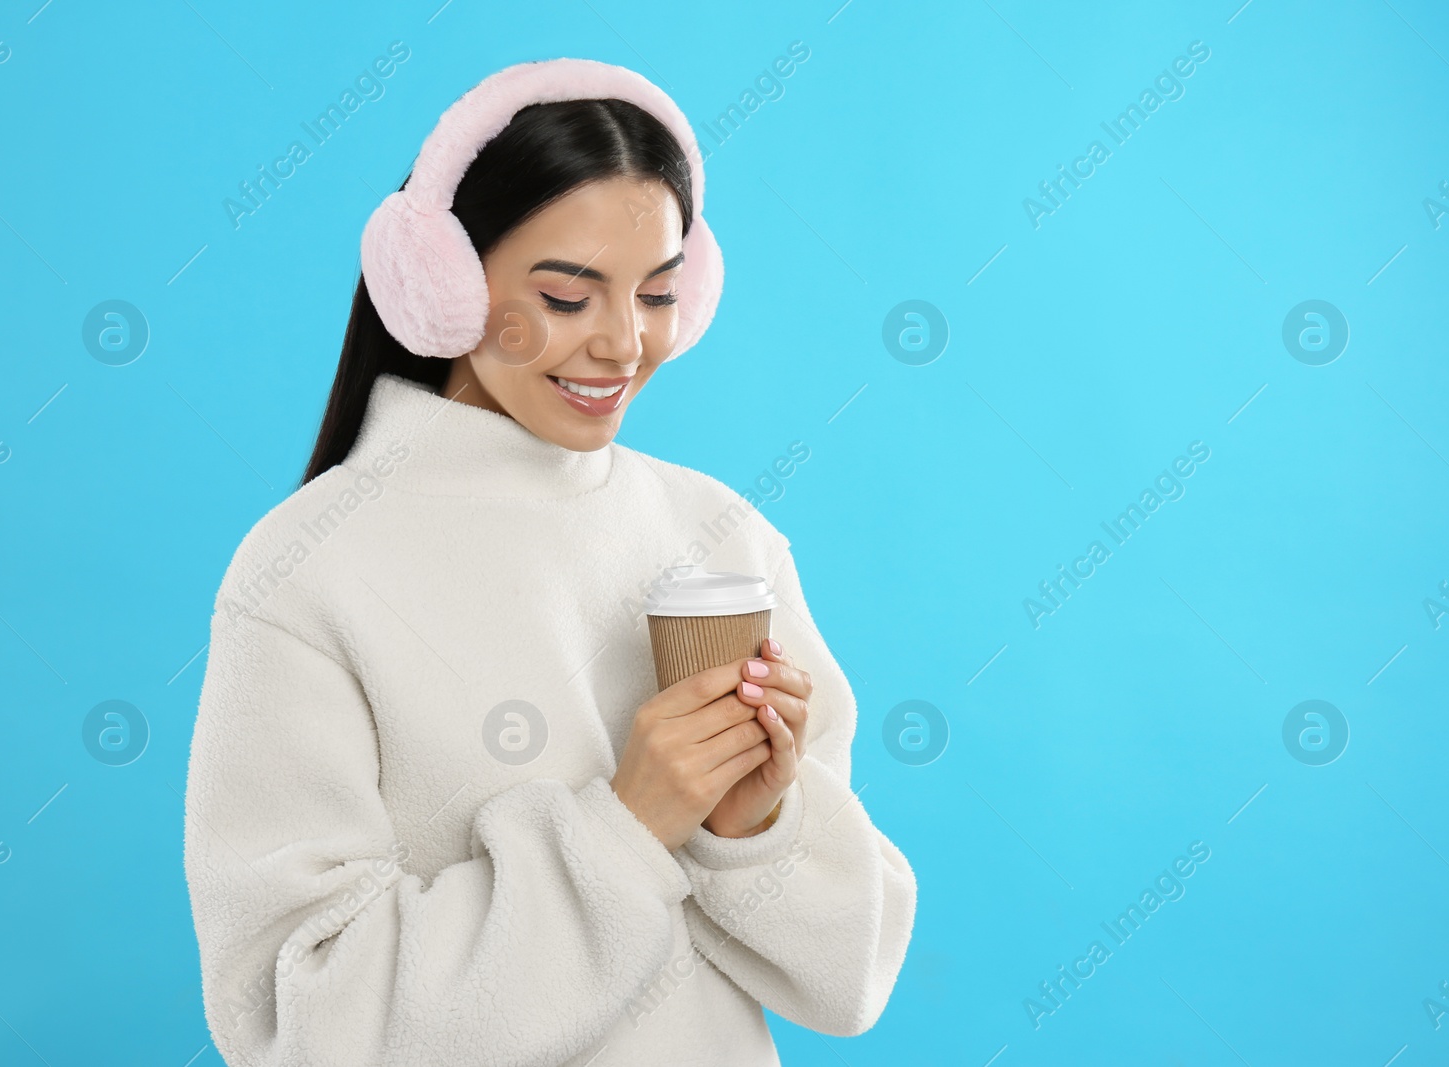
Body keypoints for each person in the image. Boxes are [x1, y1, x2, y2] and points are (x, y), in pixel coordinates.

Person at [182, 57, 916, 1067]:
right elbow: (299, 1022)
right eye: (567, 295)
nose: (622, 344)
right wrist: (625, 828)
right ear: (439, 279)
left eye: (657, 293)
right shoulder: (307, 570)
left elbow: (851, 979)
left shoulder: (720, 534)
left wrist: (751, 829)